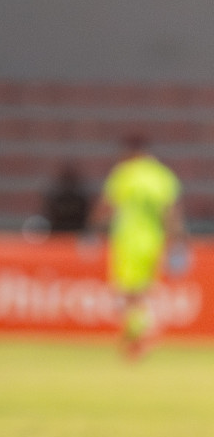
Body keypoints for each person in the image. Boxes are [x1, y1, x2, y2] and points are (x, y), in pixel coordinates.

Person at [92, 135, 187, 360]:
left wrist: (93, 228)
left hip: (128, 241)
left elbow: (106, 206)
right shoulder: (163, 176)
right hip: (154, 241)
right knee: (143, 291)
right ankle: (139, 334)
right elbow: (171, 213)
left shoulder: (124, 173)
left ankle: (142, 332)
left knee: (125, 292)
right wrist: (177, 241)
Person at [41, 161, 91, 234]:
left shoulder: (81, 199)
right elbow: (48, 216)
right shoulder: (55, 199)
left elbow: (86, 218)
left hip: (77, 235)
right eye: (66, 178)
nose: (68, 182)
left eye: (70, 178)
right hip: (57, 236)